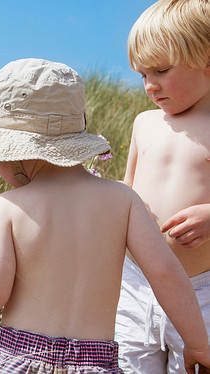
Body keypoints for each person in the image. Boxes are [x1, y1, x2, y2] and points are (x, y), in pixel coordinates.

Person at [0, 58, 210, 374]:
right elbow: (166, 273)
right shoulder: (124, 200)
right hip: (97, 364)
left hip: (20, 358)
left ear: (16, 154)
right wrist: (198, 344)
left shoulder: (8, 207)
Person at [114, 0, 210, 373]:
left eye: (161, 70)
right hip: (136, 285)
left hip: (200, 290)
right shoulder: (144, 123)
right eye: (141, 75)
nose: (150, 86)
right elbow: (127, 186)